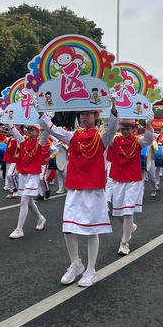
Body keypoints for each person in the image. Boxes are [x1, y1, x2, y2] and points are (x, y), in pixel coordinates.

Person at [38, 103, 118, 287]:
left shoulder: (102, 136)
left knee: (91, 230)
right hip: (75, 188)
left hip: (93, 190)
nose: (84, 117)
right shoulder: (72, 136)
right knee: (68, 227)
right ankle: (76, 264)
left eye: (88, 114)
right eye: (82, 113)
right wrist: (40, 110)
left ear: (96, 116)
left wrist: (114, 105)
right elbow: (52, 129)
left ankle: (91, 270)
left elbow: (113, 125)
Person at [107, 120, 153, 255]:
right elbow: (107, 135)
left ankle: (124, 242)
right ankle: (130, 227)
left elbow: (149, 139)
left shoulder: (138, 141)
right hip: (118, 178)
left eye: (128, 129)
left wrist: (148, 124)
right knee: (117, 211)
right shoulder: (114, 141)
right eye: (123, 129)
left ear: (133, 129)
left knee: (127, 211)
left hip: (133, 180)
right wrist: (113, 119)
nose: (125, 131)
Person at [7, 124, 48, 238]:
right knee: (29, 202)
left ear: (37, 131)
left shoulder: (40, 142)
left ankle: (19, 229)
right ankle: (40, 218)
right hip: (23, 176)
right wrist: (5, 119)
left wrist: (45, 122)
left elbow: (47, 131)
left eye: (32, 130)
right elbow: (14, 131)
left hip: (33, 176)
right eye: (28, 130)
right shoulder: (23, 142)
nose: (29, 131)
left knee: (24, 200)